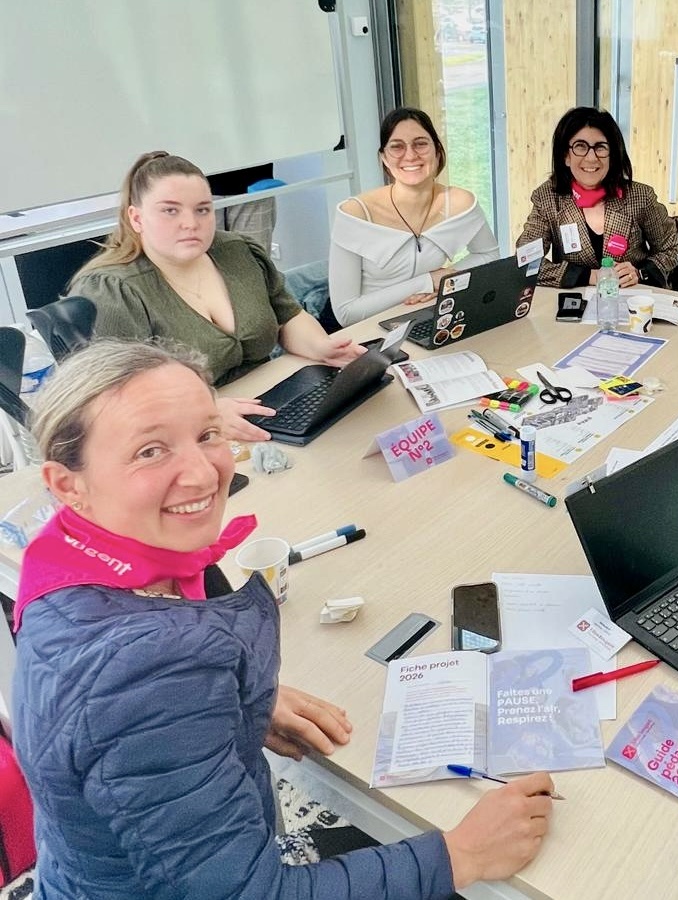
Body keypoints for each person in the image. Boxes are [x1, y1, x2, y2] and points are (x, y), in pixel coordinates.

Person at [11, 339, 554, 899]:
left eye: (207, 434)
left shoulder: (80, 558)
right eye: (150, 451)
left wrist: (234, 699)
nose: (202, 474)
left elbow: (112, 725)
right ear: (68, 484)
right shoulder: (146, 672)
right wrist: (460, 855)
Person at [68, 151, 364, 442]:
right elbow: (115, 396)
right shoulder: (111, 291)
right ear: (136, 218)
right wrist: (202, 412)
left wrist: (321, 347)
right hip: (181, 437)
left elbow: (288, 317)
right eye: (170, 210)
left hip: (271, 407)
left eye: (202, 209)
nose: (190, 223)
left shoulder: (238, 252)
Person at [328, 107, 500, 326]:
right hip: (368, 332)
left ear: (438, 151)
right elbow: (346, 313)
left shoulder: (460, 203)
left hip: (426, 319)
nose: (410, 155)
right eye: (396, 146)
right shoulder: (355, 213)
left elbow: (489, 254)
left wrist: (448, 277)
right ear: (384, 158)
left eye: (420, 144)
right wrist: (428, 282)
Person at [515, 106, 678, 289]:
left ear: (612, 155)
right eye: (580, 146)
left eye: (600, 147)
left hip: (631, 299)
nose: (591, 158)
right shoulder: (548, 198)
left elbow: (672, 249)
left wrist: (640, 273)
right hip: (575, 302)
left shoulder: (640, 197)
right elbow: (525, 262)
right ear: (566, 156)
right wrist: (587, 276)